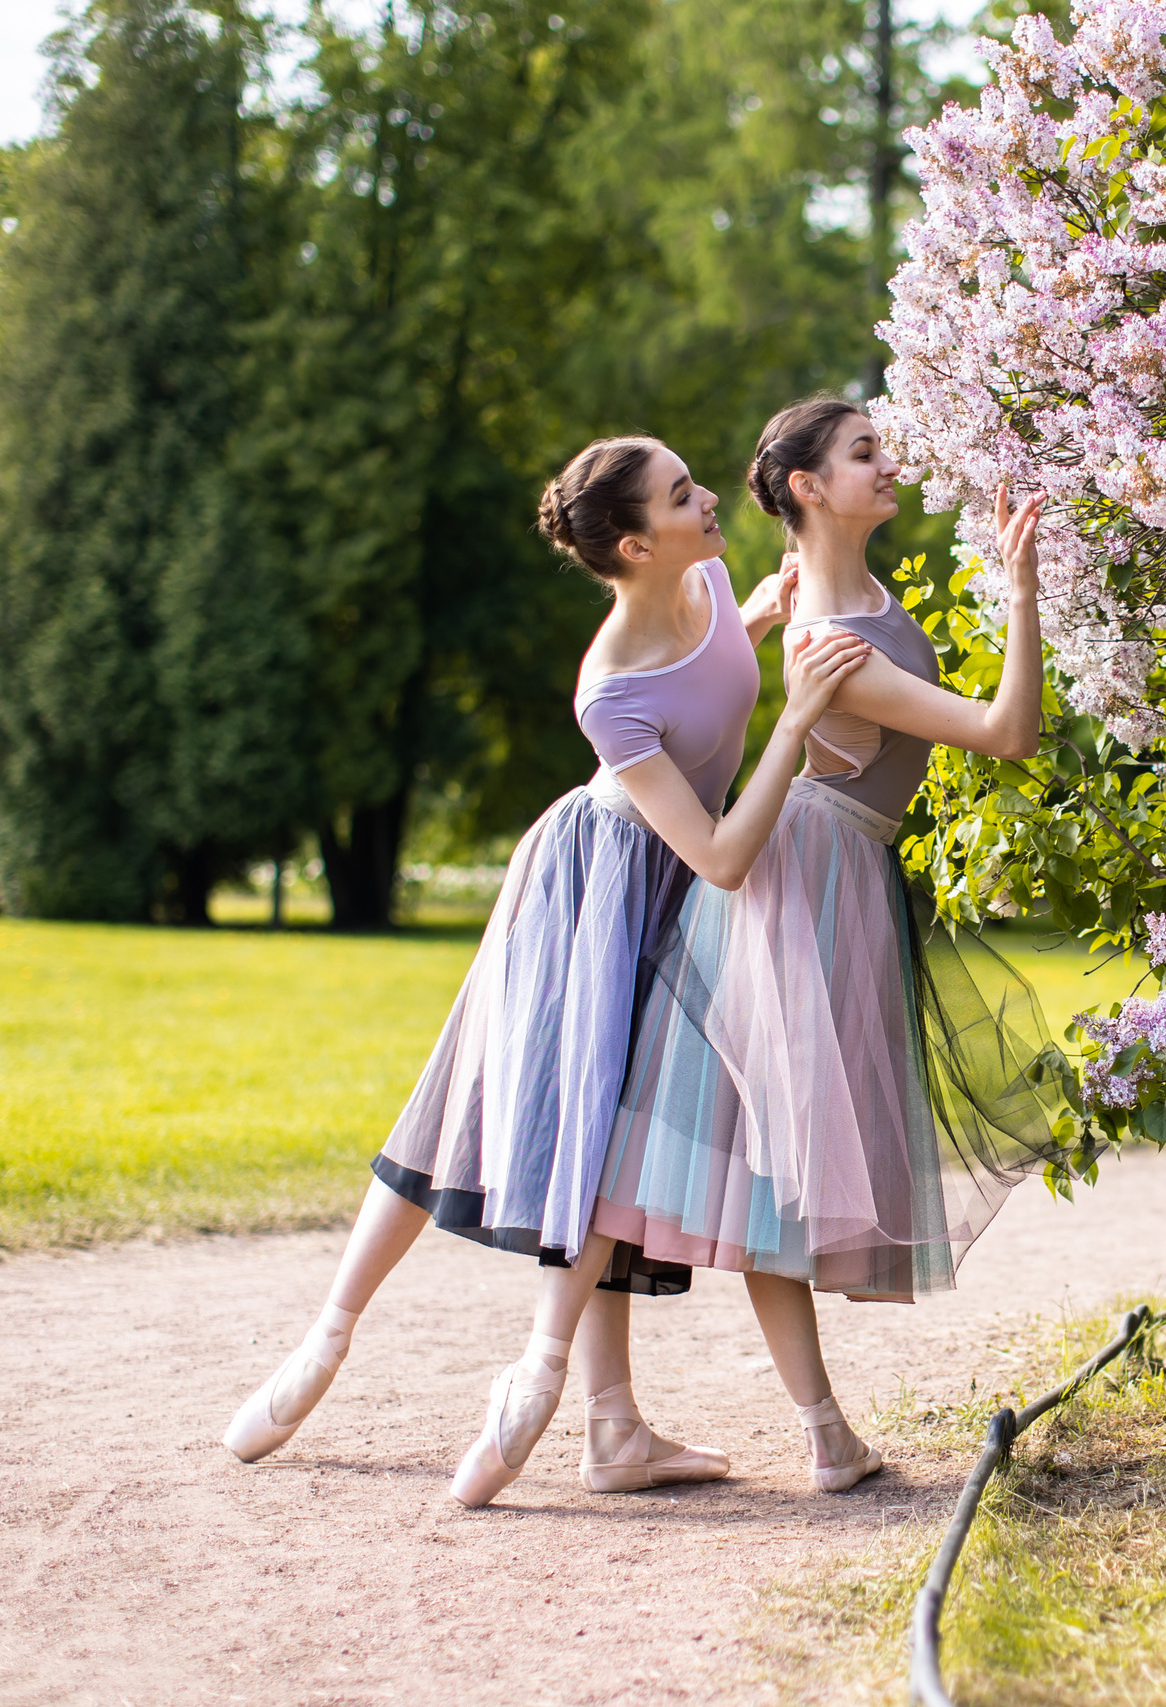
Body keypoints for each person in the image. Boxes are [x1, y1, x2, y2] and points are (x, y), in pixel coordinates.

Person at [226, 434, 872, 1502]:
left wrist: (757, 619)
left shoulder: (708, 577)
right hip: (595, 888)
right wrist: (794, 722)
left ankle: (608, 1427)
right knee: (471, 1108)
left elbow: (709, 681)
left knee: (608, 1141)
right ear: (632, 543)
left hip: (662, 891)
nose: (708, 496)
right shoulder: (604, 691)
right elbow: (716, 857)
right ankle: (326, 1343)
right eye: (680, 495)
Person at [566, 396, 1073, 1499]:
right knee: (764, 1163)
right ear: (807, 488)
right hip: (803, 889)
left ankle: (813, 1433)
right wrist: (1022, 590)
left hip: (837, 880)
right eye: (863, 455)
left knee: (775, 1163)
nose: (887, 466)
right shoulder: (832, 644)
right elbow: (1005, 734)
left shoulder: (850, 601)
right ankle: (782, 1430)